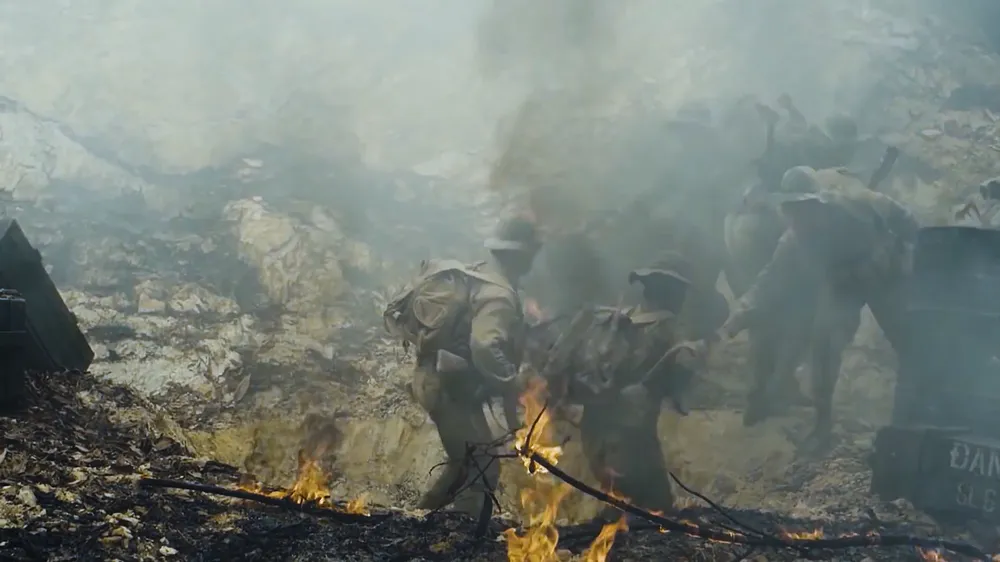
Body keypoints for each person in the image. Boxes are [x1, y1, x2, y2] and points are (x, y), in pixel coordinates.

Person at [705, 186, 919, 454]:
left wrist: (916, 251)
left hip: (887, 276)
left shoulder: (859, 205)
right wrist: (733, 323)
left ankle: (917, 415)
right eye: (792, 212)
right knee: (824, 343)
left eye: (805, 209)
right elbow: (768, 284)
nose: (801, 219)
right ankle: (822, 425)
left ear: (821, 205)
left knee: (910, 344)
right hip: (845, 285)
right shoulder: (793, 241)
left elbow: (906, 219)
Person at [383, 217, 541, 515]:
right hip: (447, 387)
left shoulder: (478, 275)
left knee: (465, 461)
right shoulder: (499, 294)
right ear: (522, 255)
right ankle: (463, 536)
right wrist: (511, 380)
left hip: (436, 380)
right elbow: (485, 346)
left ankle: (418, 520)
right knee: (481, 468)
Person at [544, 253, 700, 518]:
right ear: (675, 293)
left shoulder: (613, 321)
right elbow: (680, 385)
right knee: (634, 509)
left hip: (594, 426)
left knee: (643, 502)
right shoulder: (669, 331)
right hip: (632, 435)